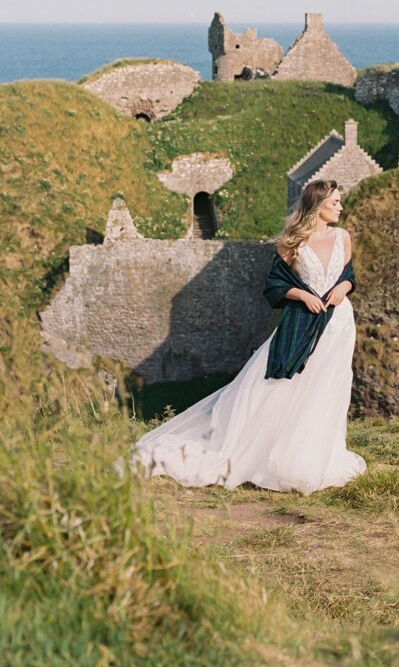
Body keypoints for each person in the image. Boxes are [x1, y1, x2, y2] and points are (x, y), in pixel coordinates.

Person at [119, 178, 367, 495]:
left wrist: (341, 289)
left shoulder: (342, 237)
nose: (341, 207)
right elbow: (275, 285)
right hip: (302, 322)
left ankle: (320, 451)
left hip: (339, 323)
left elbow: (348, 276)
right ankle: (275, 450)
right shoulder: (292, 243)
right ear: (318, 205)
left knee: (328, 386)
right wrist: (304, 296)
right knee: (277, 387)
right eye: (335, 202)